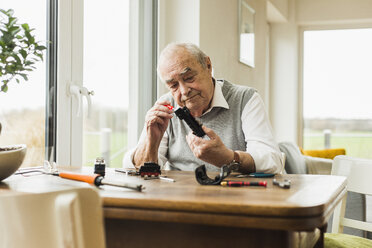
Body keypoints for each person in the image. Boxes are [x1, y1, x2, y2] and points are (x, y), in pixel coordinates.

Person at [123, 43, 282, 174]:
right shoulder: (166, 107)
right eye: (173, 85)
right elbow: (134, 170)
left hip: (236, 198)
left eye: (189, 78)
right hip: (181, 201)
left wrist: (228, 158)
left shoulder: (245, 99)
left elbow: (272, 161)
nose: (184, 91)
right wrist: (151, 142)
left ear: (208, 65)